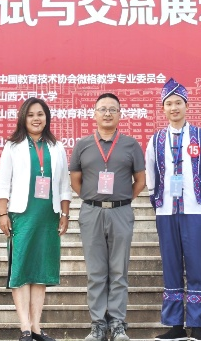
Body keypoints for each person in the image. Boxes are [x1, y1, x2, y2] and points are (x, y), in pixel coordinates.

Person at [145, 78, 201, 342]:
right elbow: (150, 171)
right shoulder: (156, 139)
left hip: (194, 209)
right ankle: (175, 324)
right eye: (169, 104)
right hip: (166, 210)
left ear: (187, 106)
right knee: (171, 265)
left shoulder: (200, 135)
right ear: (163, 108)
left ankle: (198, 325)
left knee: (197, 264)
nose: (174, 108)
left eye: (178, 103)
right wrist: (155, 199)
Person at [68, 93, 146, 342]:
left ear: (120, 114)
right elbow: (75, 180)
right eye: (102, 109)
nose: (107, 113)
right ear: (94, 114)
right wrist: (93, 199)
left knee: (119, 271)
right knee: (96, 272)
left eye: (113, 109)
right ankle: (98, 324)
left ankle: (118, 323)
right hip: (91, 212)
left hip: (121, 212)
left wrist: (122, 200)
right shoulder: (82, 145)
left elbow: (140, 180)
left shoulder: (130, 144)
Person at [0, 97, 72, 342]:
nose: (36, 119)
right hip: (22, 214)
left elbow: (64, 184)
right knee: (21, 268)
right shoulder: (13, 146)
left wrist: (65, 213)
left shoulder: (56, 146)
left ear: (47, 117)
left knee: (41, 269)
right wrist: (3, 213)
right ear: (23, 118)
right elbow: (3, 183)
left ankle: (37, 327)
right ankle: (25, 327)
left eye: (40, 114)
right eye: (30, 115)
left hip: (48, 215)